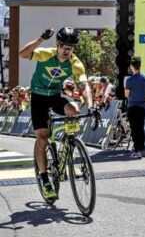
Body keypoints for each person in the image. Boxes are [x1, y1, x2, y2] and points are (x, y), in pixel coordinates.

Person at [19, 27, 94, 200]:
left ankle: (69, 142)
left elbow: (84, 86)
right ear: (57, 44)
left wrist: (91, 106)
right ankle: (45, 178)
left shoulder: (75, 63)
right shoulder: (46, 54)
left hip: (54, 96)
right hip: (38, 97)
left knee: (74, 110)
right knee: (43, 136)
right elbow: (22, 54)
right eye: (64, 47)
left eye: (71, 47)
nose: (67, 51)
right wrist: (40, 39)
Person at [124, 56, 145, 159]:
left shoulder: (129, 80)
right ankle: (142, 148)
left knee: (134, 129)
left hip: (133, 106)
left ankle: (137, 150)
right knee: (140, 128)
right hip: (142, 106)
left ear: (131, 66)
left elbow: (126, 95)